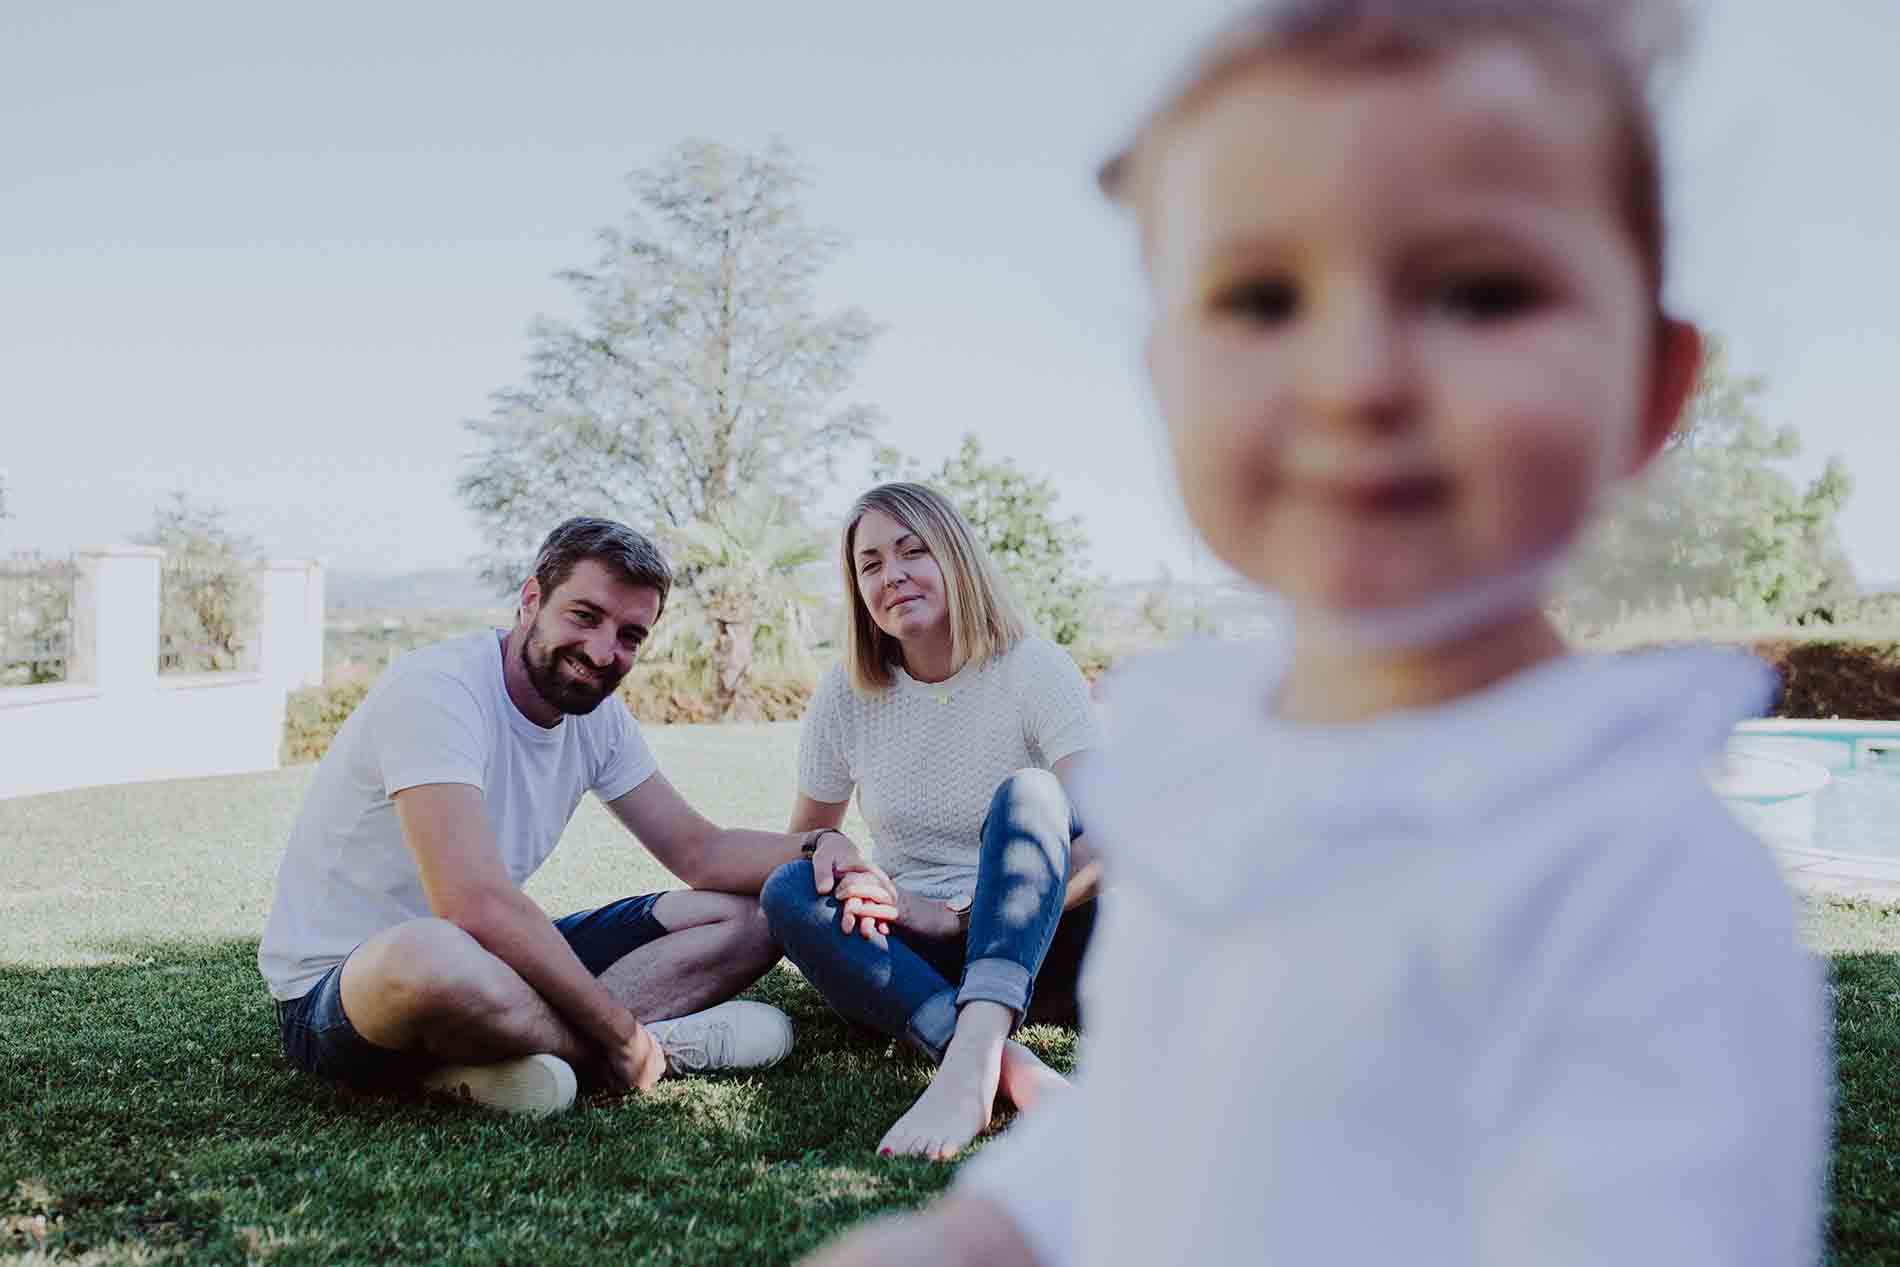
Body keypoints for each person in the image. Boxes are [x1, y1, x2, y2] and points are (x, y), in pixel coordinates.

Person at [804, 1, 1826, 1262]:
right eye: (1261, 297)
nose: (1354, 376)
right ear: (1164, 375)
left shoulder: (1634, 871)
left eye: (1479, 291)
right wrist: (981, 1233)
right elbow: (1169, 1118)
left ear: (1650, 388)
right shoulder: (1226, 765)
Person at [259, 517, 858, 1115]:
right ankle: (652, 1051)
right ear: (531, 601)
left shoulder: (597, 718)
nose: (603, 652)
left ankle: (491, 1059)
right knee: (429, 953)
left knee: (757, 911)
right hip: (343, 990)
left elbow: (700, 852)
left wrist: (819, 844)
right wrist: (620, 1031)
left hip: (490, 963)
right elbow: (473, 903)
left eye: (629, 635)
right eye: (585, 616)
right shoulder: (437, 691)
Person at [759, 482, 1102, 1159]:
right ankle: (1006, 1062)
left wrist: (959, 916)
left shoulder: (1035, 668)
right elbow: (799, 843)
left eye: (913, 551)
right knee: (788, 890)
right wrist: (827, 841)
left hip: (1041, 939)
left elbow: (1112, 841)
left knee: (1031, 793)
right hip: (907, 953)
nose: (893, 576)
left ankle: (969, 1052)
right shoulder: (846, 694)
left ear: (957, 558)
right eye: (871, 563)